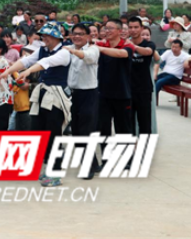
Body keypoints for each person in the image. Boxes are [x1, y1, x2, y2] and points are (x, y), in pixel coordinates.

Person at [0, 22, 72, 188]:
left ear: (55, 37)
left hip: (56, 96)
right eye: (42, 36)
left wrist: (28, 71)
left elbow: (45, 63)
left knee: (54, 133)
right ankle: (47, 166)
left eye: (46, 36)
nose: (43, 39)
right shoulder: (42, 50)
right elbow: (26, 61)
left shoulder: (64, 52)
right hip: (43, 94)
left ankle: (56, 172)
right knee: (40, 131)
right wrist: (7, 72)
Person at [63, 23, 100, 179]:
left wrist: (72, 51)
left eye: (80, 34)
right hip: (74, 95)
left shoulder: (93, 49)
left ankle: (88, 167)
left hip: (89, 95)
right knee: (77, 131)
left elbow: (88, 58)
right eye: (74, 33)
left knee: (85, 132)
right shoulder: (68, 49)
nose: (77, 36)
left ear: (87, 36)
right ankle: (94, 164)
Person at [96, 19, 135, 159]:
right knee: (103, 129)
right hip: (103, 95)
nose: (107, 31)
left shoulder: (127, 46)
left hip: (122, 94)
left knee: (123, 129)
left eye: (111, 28)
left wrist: (99, 49)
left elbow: (121, 54)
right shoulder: (101, 44)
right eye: (106, 28)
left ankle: (127, 159)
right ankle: (106, 159)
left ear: (119, 31)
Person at [127, 17, 156, 136]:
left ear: (141, 28)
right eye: (130, 27)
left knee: (145, 123)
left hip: (144, 90)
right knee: (128, 123)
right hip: (127, 90)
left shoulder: (149, 44)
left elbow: (148, 52)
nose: (133, 30)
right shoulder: (123, 43)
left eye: (136, 27)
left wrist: (131, 46)